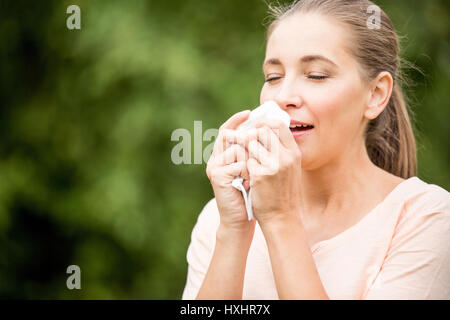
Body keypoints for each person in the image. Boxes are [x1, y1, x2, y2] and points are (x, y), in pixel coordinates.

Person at [182, 0, 450, 300]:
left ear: (375, 94)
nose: (283, 96)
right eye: (273, 77)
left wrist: (280, 218)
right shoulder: (220, 219)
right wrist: (233, 231)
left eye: (316, 75)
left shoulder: (427, 220)